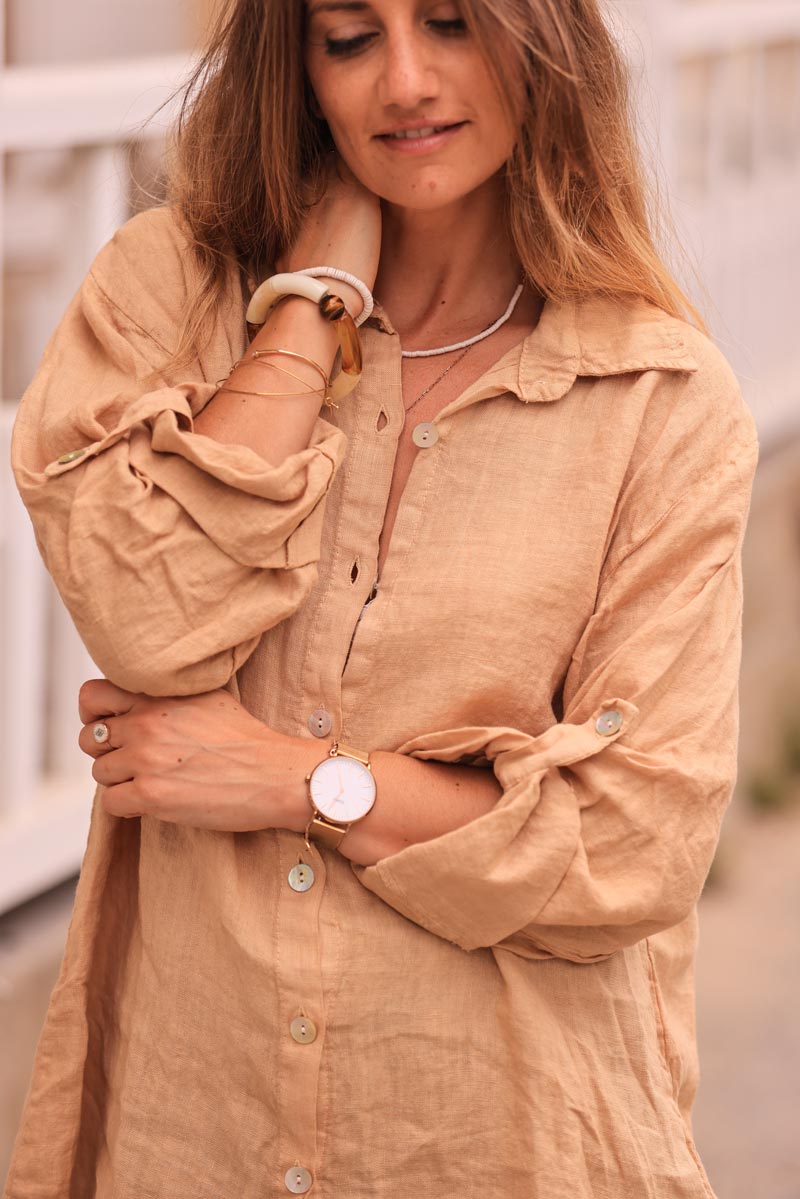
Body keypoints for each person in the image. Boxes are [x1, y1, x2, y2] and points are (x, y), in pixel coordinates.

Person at [5, 0, 758, 1195]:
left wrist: (295, 779)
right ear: (295, 67)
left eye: (452, 24)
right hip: (193, 1129)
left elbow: (626, 845)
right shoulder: (171, 297)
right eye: (349, 38)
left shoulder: (659, 402)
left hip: (504, 1140)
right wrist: (310, 298)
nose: (404, 81)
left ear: (544, 42)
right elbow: (154, 617)